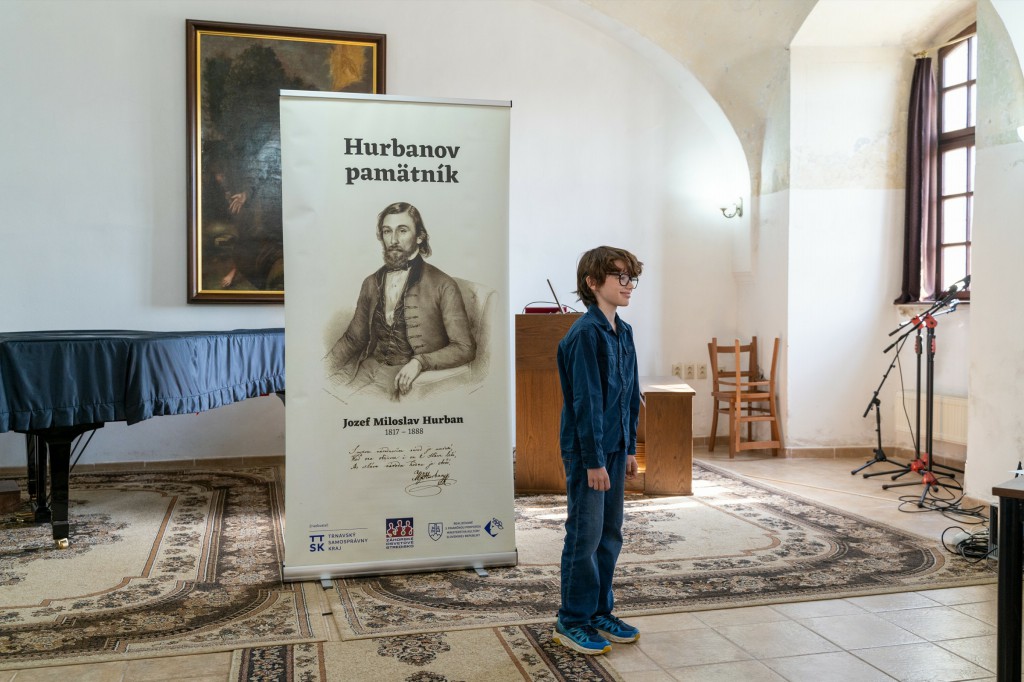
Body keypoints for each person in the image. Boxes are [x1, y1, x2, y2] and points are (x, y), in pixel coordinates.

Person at [552, 245, 643, 656]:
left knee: (610, 534)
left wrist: (629, 447)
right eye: (619, 276)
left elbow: (629, 394)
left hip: (615, 448)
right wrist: (593, 461)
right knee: (585, 536)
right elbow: (586, 401)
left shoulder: (624, 332)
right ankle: (572, 619)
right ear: (592, 282)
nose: (628, 284)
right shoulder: (584, 334)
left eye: (630, 277)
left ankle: (600, 611)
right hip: (588, 452)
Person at [325, 202, 475, 400]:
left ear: (420, 236)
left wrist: (420, 362)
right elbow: (354, 338)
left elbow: (464, 348)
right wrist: (322, 369)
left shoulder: (443, 284)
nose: (393, 240)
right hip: (365, 368)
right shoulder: (371, 282)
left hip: (403, 380)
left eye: (402, 230)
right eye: (387, 231)